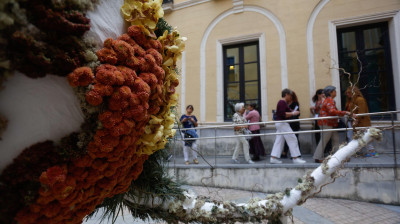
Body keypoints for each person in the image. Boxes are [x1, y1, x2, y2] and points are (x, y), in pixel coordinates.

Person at [313, 86, 355, 163]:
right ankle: (318, 157)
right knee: (325, 140)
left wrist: (343, 113)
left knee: (336, 140)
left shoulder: (328, 100)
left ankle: (339, 157)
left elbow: (333, 111)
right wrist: (345, 112)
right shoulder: (329, 100)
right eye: (334, 91)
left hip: (329, 123)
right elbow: (332, 111)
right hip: (326, 123)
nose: (336, 92)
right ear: (330, 92)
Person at [270, 89, 306, 164]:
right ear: (286, 94)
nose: (291, 97)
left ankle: (273, 158)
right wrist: (293, 113)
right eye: (290, 95)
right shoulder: (282, 102)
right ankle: (295, 158)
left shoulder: (282, 102)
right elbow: (283, 114)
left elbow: (282, 113)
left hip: (280, 123)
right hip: (282, 123)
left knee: (279, 140)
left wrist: (292, 112)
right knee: (292, 138)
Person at [345, 86, 378, 157]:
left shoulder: (360, 100)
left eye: (349, 92)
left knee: (365, 137)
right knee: (358, 138)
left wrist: (356, 120)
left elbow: (361, 112)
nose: (347, 94)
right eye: (347, 93)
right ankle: (357, 152)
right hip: (355, 123)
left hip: (362, 123)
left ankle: (372, 153)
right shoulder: (352, 100)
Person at [310, 89, 332, 153]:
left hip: (324, 119)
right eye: (321, 93)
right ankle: (321, 150)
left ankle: (328, 149)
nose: (323, 94)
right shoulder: (315, 101)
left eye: (323, 93)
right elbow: (314, 112)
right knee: (318, 135)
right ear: (318, 95)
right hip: (318, 119)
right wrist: (312, 110)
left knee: (326, 135)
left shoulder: (325, 100)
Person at [282, 91, 300, 158]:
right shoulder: (285, 103)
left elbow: (298, 112)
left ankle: (297, 154)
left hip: (294, 123)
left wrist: (291, 112)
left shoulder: (295, 103)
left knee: (295, 138)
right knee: (287, 138)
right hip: (287, 123)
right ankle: (285, 152)